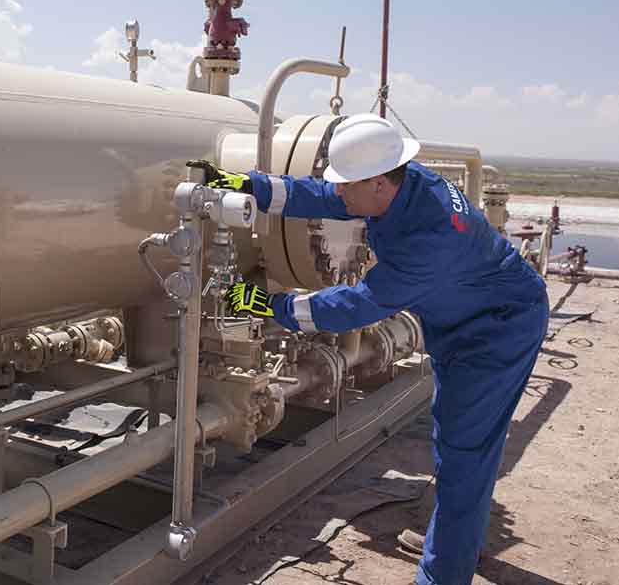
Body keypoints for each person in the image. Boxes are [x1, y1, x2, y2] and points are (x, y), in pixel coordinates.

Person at [190, 114, 549, 585]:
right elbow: (324, 196)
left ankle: (444, 572)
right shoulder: (403, 183)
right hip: (464, 316)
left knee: (465, 450)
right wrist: (251, 186)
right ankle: (455, 541)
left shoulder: (432, 238)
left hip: (496, 331)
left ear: (378, 183)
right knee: (458, 441)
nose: (339, 192)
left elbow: (353, 307)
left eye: (347, 185)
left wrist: (270, 304)